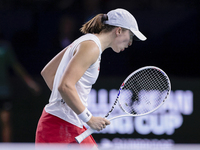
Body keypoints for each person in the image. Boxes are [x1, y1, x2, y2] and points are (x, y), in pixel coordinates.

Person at [35, 8, 146, 149]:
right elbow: (65, 86)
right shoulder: (91, 47)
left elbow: (48, 72)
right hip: (60, 126)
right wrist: (89, 119)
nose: (130, 43)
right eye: (130, 36)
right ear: (118, 31)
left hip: (63, 122)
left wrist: (67, 101)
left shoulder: (85, 41)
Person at [0, 30, 41, 142]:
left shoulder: (5, 48)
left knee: (5, 120)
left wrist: (30, 83)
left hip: (3, 92)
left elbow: (16, 67)